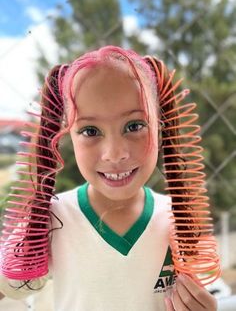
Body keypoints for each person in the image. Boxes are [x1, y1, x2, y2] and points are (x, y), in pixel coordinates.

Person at [0, 45, 218, 310]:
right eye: (91, 131)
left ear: (161, 126)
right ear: (68, 134)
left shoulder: (181, 223)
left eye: (134, 126)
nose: (115, 154)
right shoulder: (47, 221)